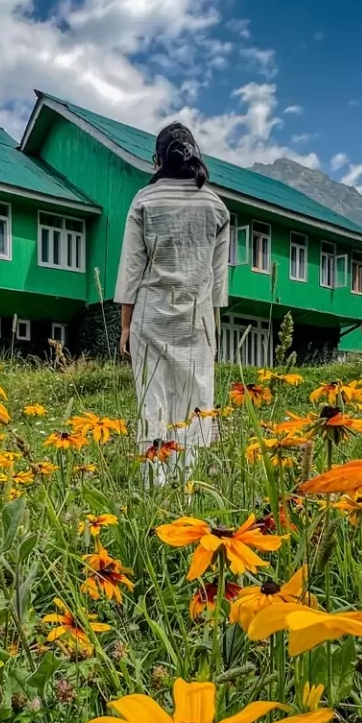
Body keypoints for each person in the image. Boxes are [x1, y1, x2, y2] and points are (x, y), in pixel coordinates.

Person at [114, 122, 229, 470]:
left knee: (153, 399)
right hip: (198, 321)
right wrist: (214, 332)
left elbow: (131, 268)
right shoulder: (216, 206)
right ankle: (188, 482)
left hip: (151, 316)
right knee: (195, 400)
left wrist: (125, 326)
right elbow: (217, 280)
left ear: (157, 159)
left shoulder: (145, 200)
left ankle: (155, 482)